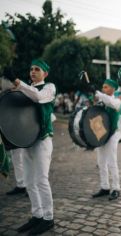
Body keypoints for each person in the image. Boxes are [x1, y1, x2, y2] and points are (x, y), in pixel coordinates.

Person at [12, 59, 56, 235]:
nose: (32, 72)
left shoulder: (49, 88)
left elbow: (38, 97)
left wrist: (18, 83)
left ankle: (48, 218)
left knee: (41, 179)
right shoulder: (26, 90)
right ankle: (37, 215)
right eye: (30, 69)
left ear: (45, 73)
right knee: (29, 181)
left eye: (37, 69)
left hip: (42, 140)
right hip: (27, 140)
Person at [92, 79, 121, 201]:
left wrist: (100, 95)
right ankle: (104, 187)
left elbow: (111, 103)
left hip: (112, 134)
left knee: (111, 162)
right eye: (102, 87)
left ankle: (116, 188)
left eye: (106, 87)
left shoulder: (117, 100)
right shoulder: (102, 101)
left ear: (113, 89)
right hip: (101, 134)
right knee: (101, 162)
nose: (103, 89)